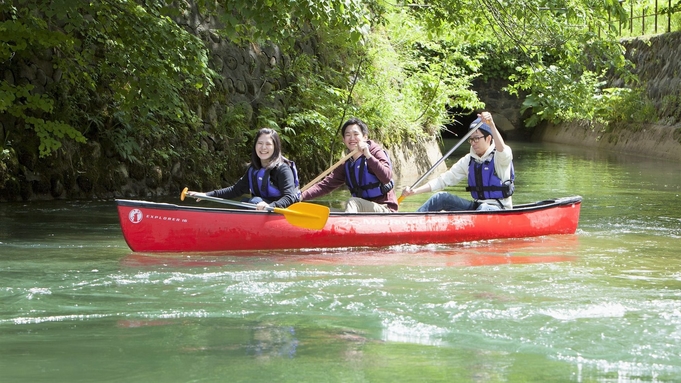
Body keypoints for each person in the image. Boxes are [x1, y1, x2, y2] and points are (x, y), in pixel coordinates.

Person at [401, 111, 514, 212]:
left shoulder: (500, 157)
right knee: (440, 197)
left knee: (483, 208)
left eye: (476, 138)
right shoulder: (468, 160)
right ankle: (411, 222)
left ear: (488, 138)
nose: (473, 143)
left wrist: (492, 125)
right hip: (477, 207)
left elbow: (502, 150)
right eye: (471, 139)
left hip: (499, 209)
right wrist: (415, 191)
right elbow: (443, 180)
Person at [187, 128, 300, 210]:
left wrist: (270, 206)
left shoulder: (283, 169)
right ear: (255, 145)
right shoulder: (253, 169)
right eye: (260, 143)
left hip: (279, 212)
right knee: (244, 202)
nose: (263, 147)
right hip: (261, 209)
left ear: (275, 148)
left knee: (253, 201)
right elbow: (235, 190)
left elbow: (289, 197)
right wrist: (206, 195)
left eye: (268, 144)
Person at [302, 117, 397, 212]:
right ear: (343, 139)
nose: (352, 138)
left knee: (353, 202)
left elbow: (386, 177)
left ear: (365, 137)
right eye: (348, 135)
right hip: (360, 211)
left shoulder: (375, 152)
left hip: (384, 209)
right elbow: (325, 185)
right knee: (326, 212)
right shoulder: (346, 163)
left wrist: (368, 155)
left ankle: (348, 226)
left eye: (356, 134)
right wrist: (300, 196)